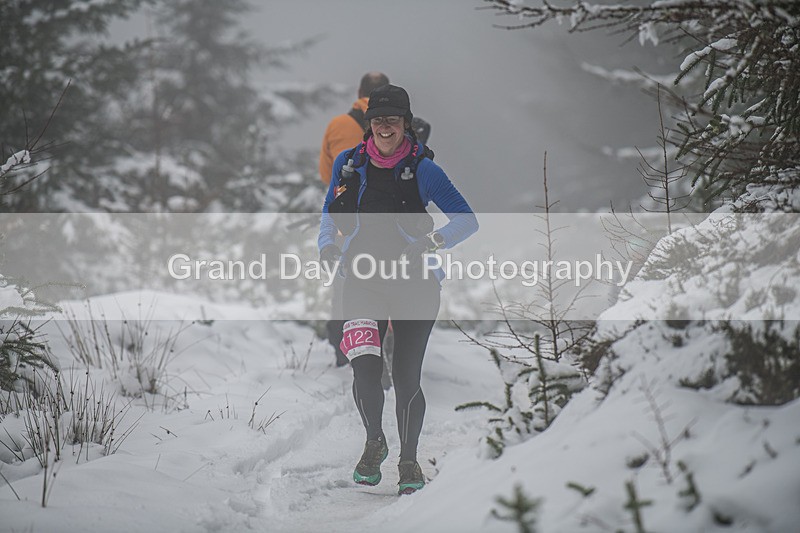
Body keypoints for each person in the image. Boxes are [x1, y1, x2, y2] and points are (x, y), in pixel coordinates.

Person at [318, 84, 478, 495]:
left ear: (405, 124)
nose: (384, 127)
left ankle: (409, 461)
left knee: (407, 377)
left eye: (392, 120)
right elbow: (328, 211)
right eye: (377, 120)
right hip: (360, 280)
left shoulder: (425, 170)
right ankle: (375, 442)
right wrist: (326, 245)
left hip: (415, 285)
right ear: (368, 125)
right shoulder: (348, 163)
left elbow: (466, 220)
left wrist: (432, 242)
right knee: (364, 367)